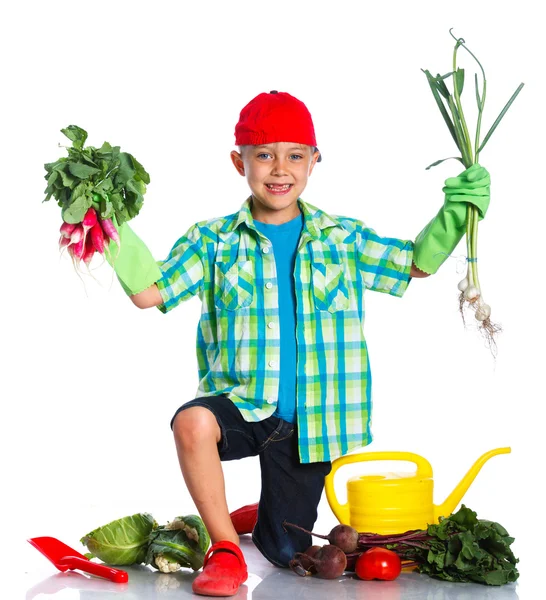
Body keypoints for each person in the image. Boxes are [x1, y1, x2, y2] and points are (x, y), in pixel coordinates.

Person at [106, 90, 490, 596]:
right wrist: (107, 222)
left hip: (309, 426)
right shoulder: (213, 240)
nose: (279, 169)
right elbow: (150, 291)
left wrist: (456, 212)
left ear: (314, 161)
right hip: (244, 407)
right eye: (263, 154)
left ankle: (256, 517)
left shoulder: (342, 238)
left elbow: (413, 263)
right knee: (191, 421)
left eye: (294, 155)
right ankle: (224, 547)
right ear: (237, 161)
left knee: (287, 553)